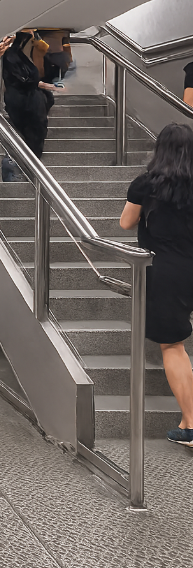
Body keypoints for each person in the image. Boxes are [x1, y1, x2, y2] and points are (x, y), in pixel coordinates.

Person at [119, 123, 193, 446]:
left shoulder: (146, 184)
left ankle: (191, 425)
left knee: (172, 346)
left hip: (167, 270)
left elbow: (126, 222)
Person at [2, 29, 62, 182]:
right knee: (24, 135)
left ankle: (27, 170)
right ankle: (15, 170)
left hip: (32, 102)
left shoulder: (23, 56)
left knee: (35, 135)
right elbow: (22, 81)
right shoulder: (12, 56)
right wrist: (46, 86)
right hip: (22, 102)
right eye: (32, 37)